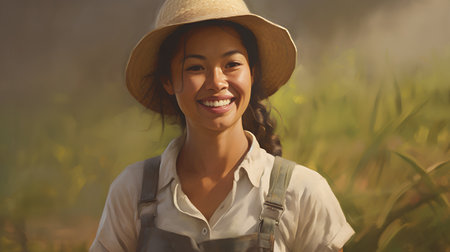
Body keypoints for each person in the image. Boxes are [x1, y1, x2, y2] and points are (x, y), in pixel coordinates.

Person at [90, 0, 354, 251]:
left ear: (252, 72)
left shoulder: (305, 192)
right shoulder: (132, 191)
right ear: (168, 81)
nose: (216, 82)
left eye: (231, 64)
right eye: (195, 67)